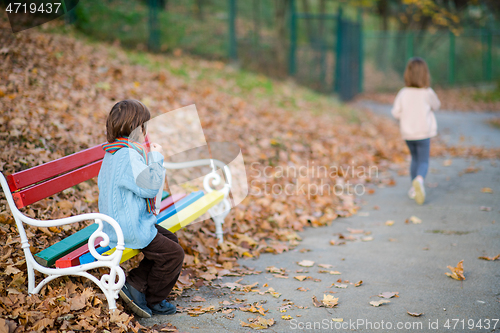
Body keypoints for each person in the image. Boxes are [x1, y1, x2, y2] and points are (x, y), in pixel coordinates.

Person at [98, 99, 185, 318]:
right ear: (138, 129)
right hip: (127, 227)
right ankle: (154, 299)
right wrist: (156, 157)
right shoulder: (128, 156)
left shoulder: (115, 152)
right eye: (145, 126)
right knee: (173, 254)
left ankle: (136, 284)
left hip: (119, 221)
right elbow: (150, 187)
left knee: (170, 241)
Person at [391, 57, 441, 205]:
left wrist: (404, 116)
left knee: (414, 159)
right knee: (423, 160)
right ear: (425, 74)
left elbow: (395, 112)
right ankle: (419, 180)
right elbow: (436, 105)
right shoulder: (427, 92)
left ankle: (414, 188)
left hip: (408, 133)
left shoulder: (403, 93)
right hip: (424, 133)